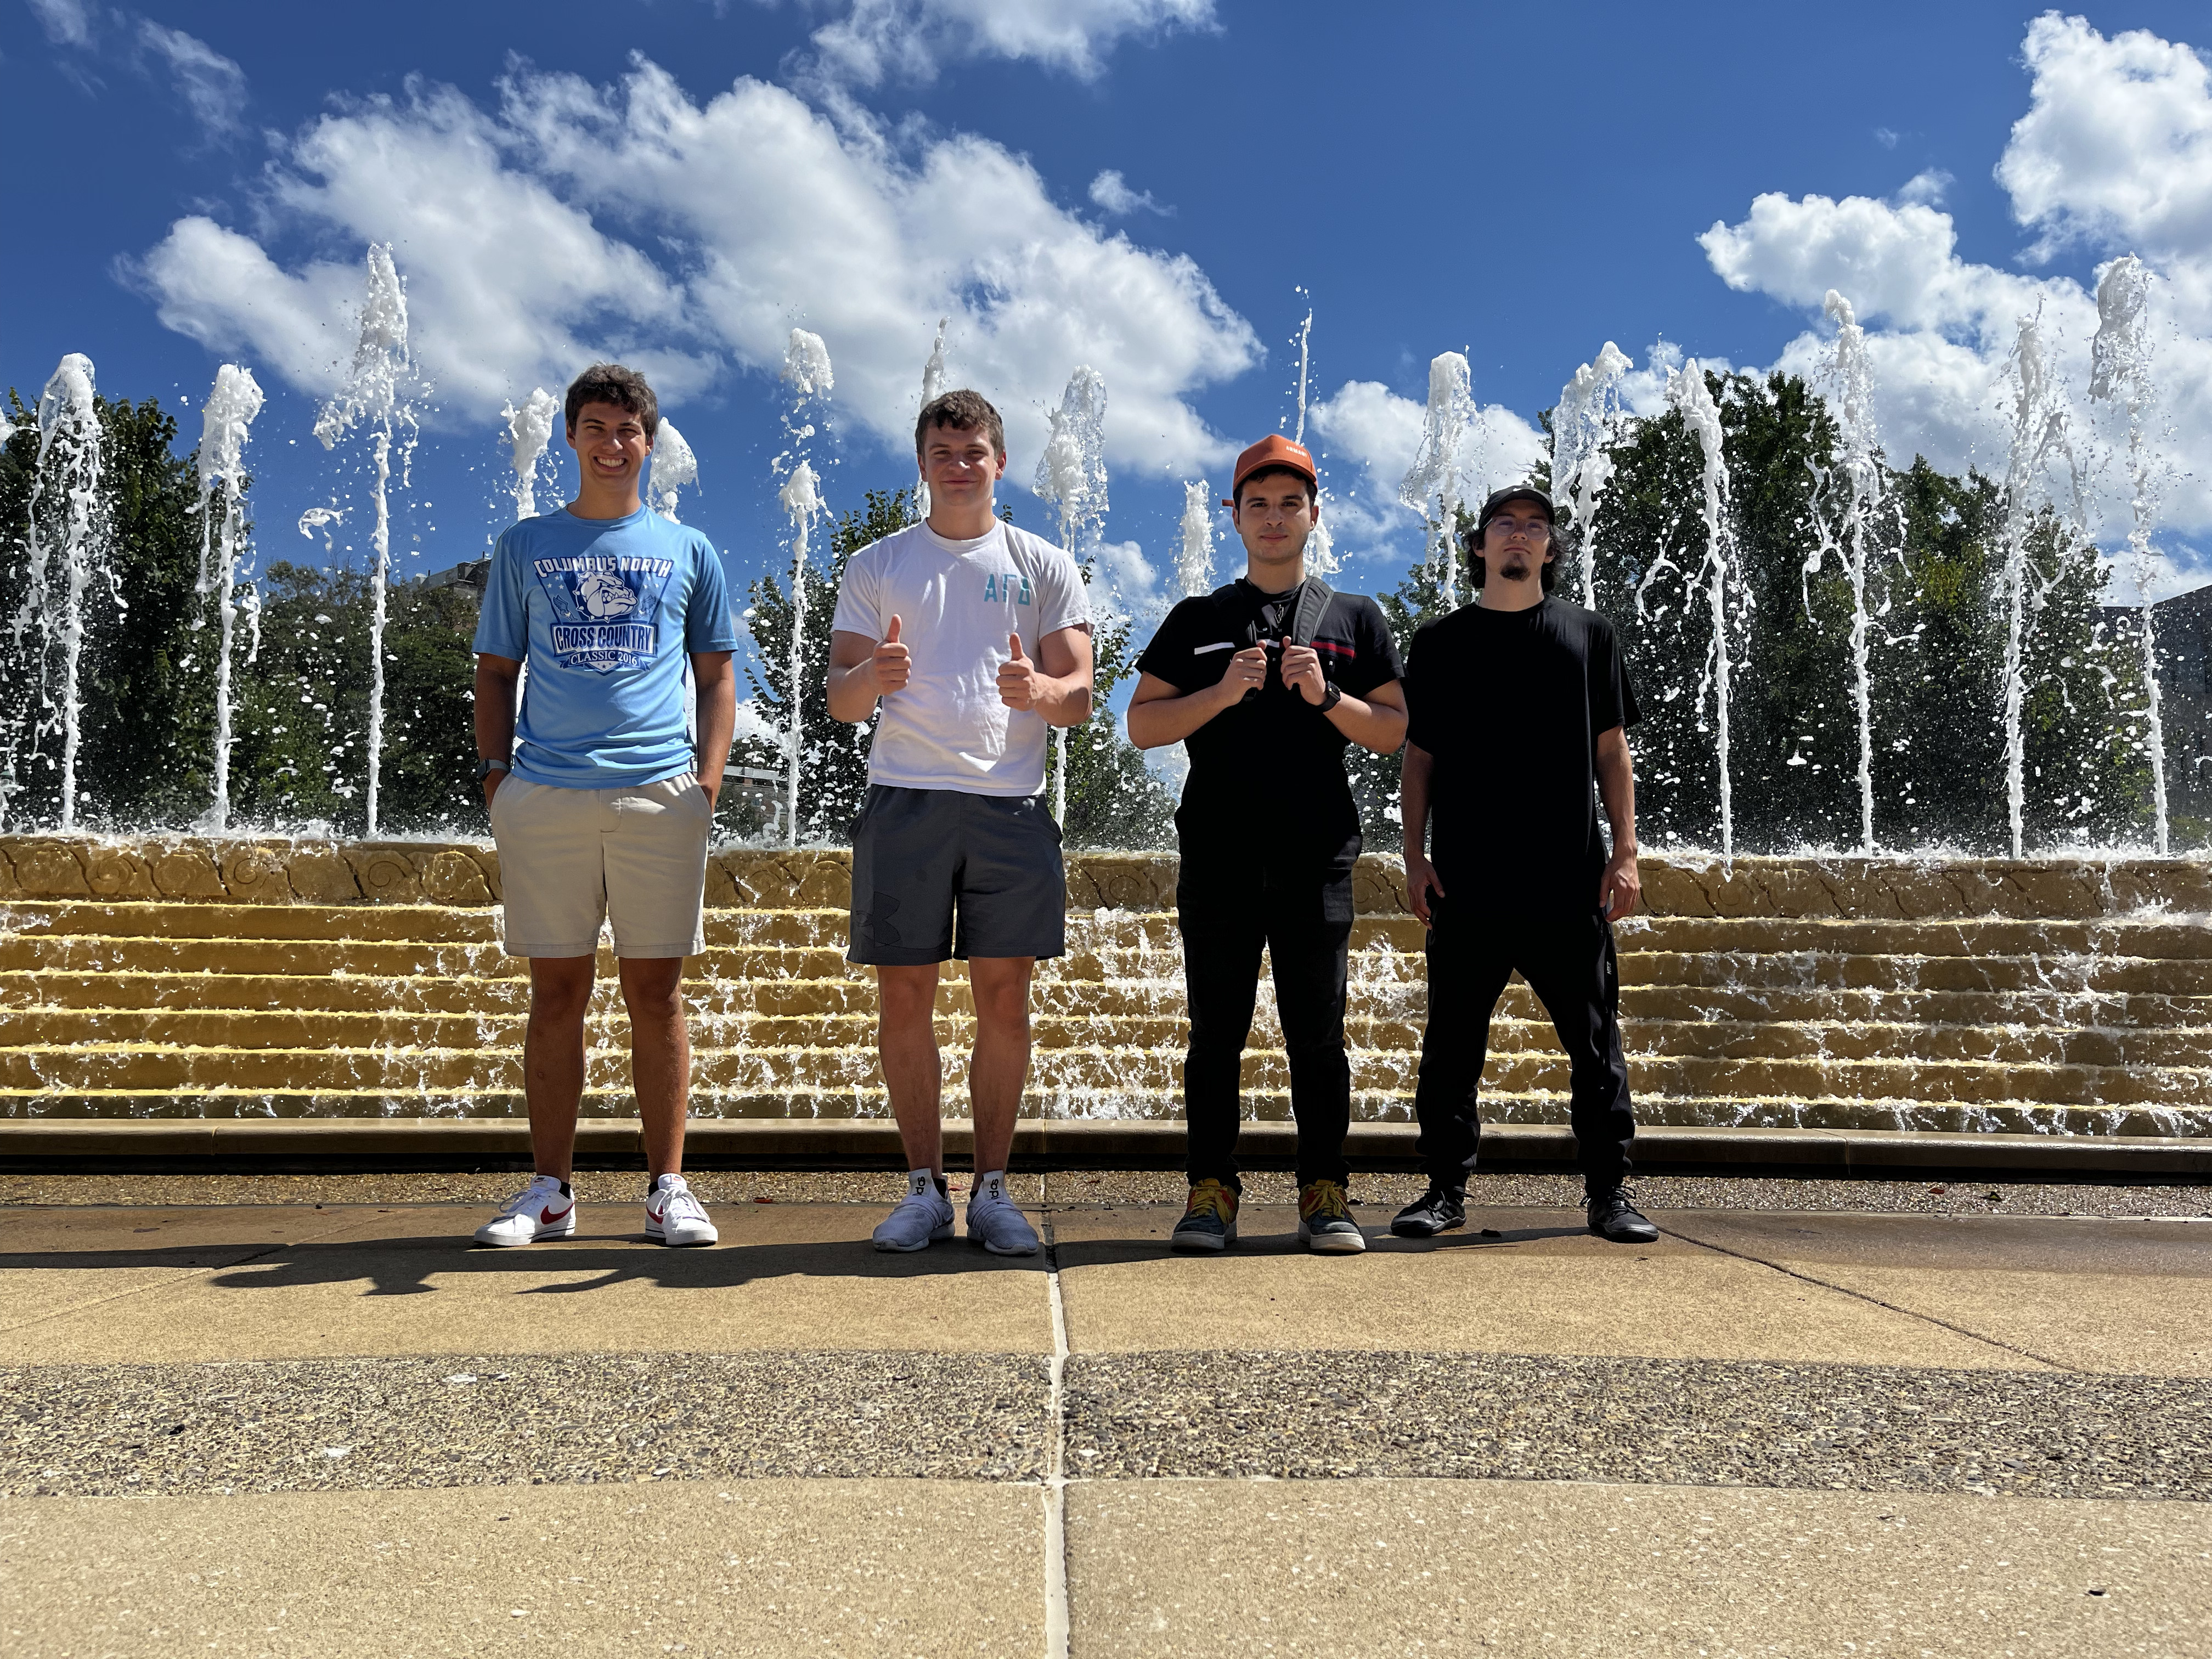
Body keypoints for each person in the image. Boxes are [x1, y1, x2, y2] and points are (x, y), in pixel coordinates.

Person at [468, 363, 738, 1249]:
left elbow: (717, 675)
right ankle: (550, 1191)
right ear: (572, 439)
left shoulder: (690, 548)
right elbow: (497, 669)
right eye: (594, 427)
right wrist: (496, 776)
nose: (611, 444)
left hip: (660, 793)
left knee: (655, 995)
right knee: (557, 993)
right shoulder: (526, 545)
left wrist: (708, 782)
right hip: (546, 792)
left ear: (648, 444)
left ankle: (668, 1188)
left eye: (627, 430)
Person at [826, 390, 1094, 1255]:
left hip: (1009, 805)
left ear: (999, 462)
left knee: (1003, 999)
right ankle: (921, 1189)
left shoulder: (1044, 563)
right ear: (922, 463)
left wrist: (1039, 693)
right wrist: (878, 676)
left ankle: (992, 1192)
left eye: (974, 450)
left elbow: (1080, 697)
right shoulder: (877, 566)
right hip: (904, 798)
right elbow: (838, 698)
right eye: (943, 450)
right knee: (904, 995)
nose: (959, 464)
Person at [1127, 435, 1407, 1255]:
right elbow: (1143, 725)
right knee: (1216, 1031)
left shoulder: (1355, 618)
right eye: (1259, 504)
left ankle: (1326, 1193)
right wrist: (1220, 693)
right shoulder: (1198, 619)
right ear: (1235, 517)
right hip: (1218, 858)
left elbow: (1394, 732)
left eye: (1291, 504)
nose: (1275, 518)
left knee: (1317, 1032)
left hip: (1317, 857)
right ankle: (1210, 1192)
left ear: (1314, 515)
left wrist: (1328, 697)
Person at [1391, 485, 1658, 1245]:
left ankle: (1610, 1195)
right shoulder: (1440, 642)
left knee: (1596, 1043)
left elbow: (1612, 752)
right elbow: (1420, 759)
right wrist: (1413, 857)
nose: (1519, 536)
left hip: (1568, 879)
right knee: (1451, 1046)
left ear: (1550, 549)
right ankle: (1443, 1191)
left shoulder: (1589, 635)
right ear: (1479, 546)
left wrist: (1627, 853)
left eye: (1535, 528)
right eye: (1504, 525)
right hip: (1468, 882)